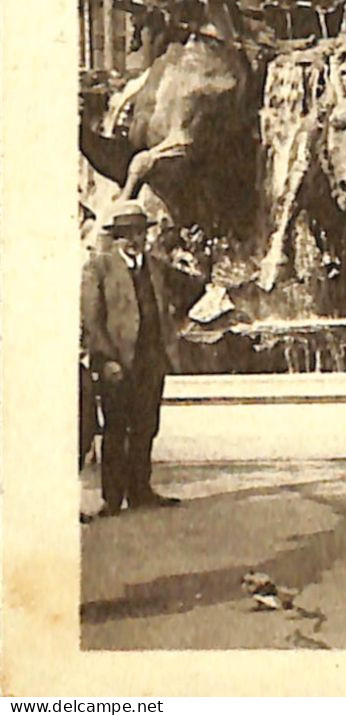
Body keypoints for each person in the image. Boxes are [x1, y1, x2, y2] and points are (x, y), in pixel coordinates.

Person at [80, 201, 207, 516]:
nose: (134, 240)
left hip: (151, 359)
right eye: (127, 234)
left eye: (139, 232)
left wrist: (202, 261)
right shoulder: (99, 266)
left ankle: (140, 490)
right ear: (117, 237)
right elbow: (92, 320)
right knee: (115, 429)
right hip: (117, 363)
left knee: (146, 426)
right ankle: (112, 498)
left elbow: (192, 288)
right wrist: (106, 359)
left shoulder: (156, 265)